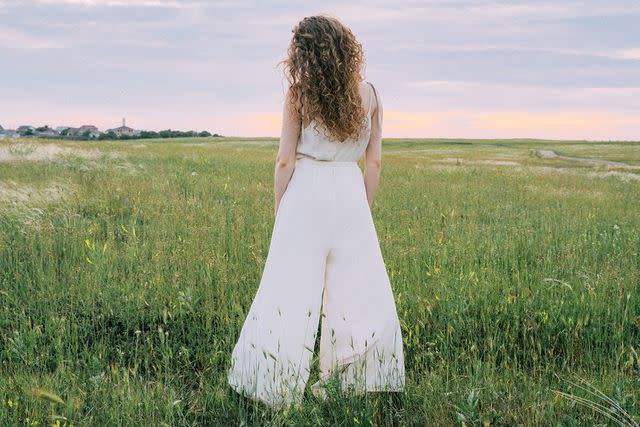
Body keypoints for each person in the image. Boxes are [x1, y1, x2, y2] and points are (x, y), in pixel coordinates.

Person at [228, 14, 405, 408]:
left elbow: (284, 162)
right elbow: (374, 164)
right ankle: (359, 379)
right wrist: (360, 208)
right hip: (350, 195)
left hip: (305, 195)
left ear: (303, 54)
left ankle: (271, 384)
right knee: (357, 289)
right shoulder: (372, 94)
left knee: (288, 289)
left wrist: (281, 210)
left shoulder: (299, 94)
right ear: (346, 49)